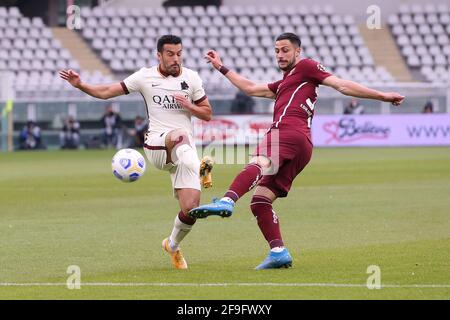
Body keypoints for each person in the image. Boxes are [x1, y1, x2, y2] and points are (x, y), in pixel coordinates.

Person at [189, 33, 404, 270]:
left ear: (297, 52)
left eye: (285, 50)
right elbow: (250, 88)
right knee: (260, 201)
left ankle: (227, 201)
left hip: (288, 131)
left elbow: (341, 84)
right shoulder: (285, 83)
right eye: (277, 51)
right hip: (302, 146)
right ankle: (278, 251)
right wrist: (221, 66)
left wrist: (382, 96)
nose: (280, 55)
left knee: (259, 162)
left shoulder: (307, 67)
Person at [60, 35, 213, 269]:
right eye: (170, 54)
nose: (176, 59)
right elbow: (107, 92)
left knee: (191, 209)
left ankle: (172, 245)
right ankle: (201, 168)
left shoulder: (191, 77)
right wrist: (81, 84)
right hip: (158, 145)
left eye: (179, 53)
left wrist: (189, 105)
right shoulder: (144, 77)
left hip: (185, 153)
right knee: (180, 135)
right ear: (159, 55)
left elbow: (207, 113)